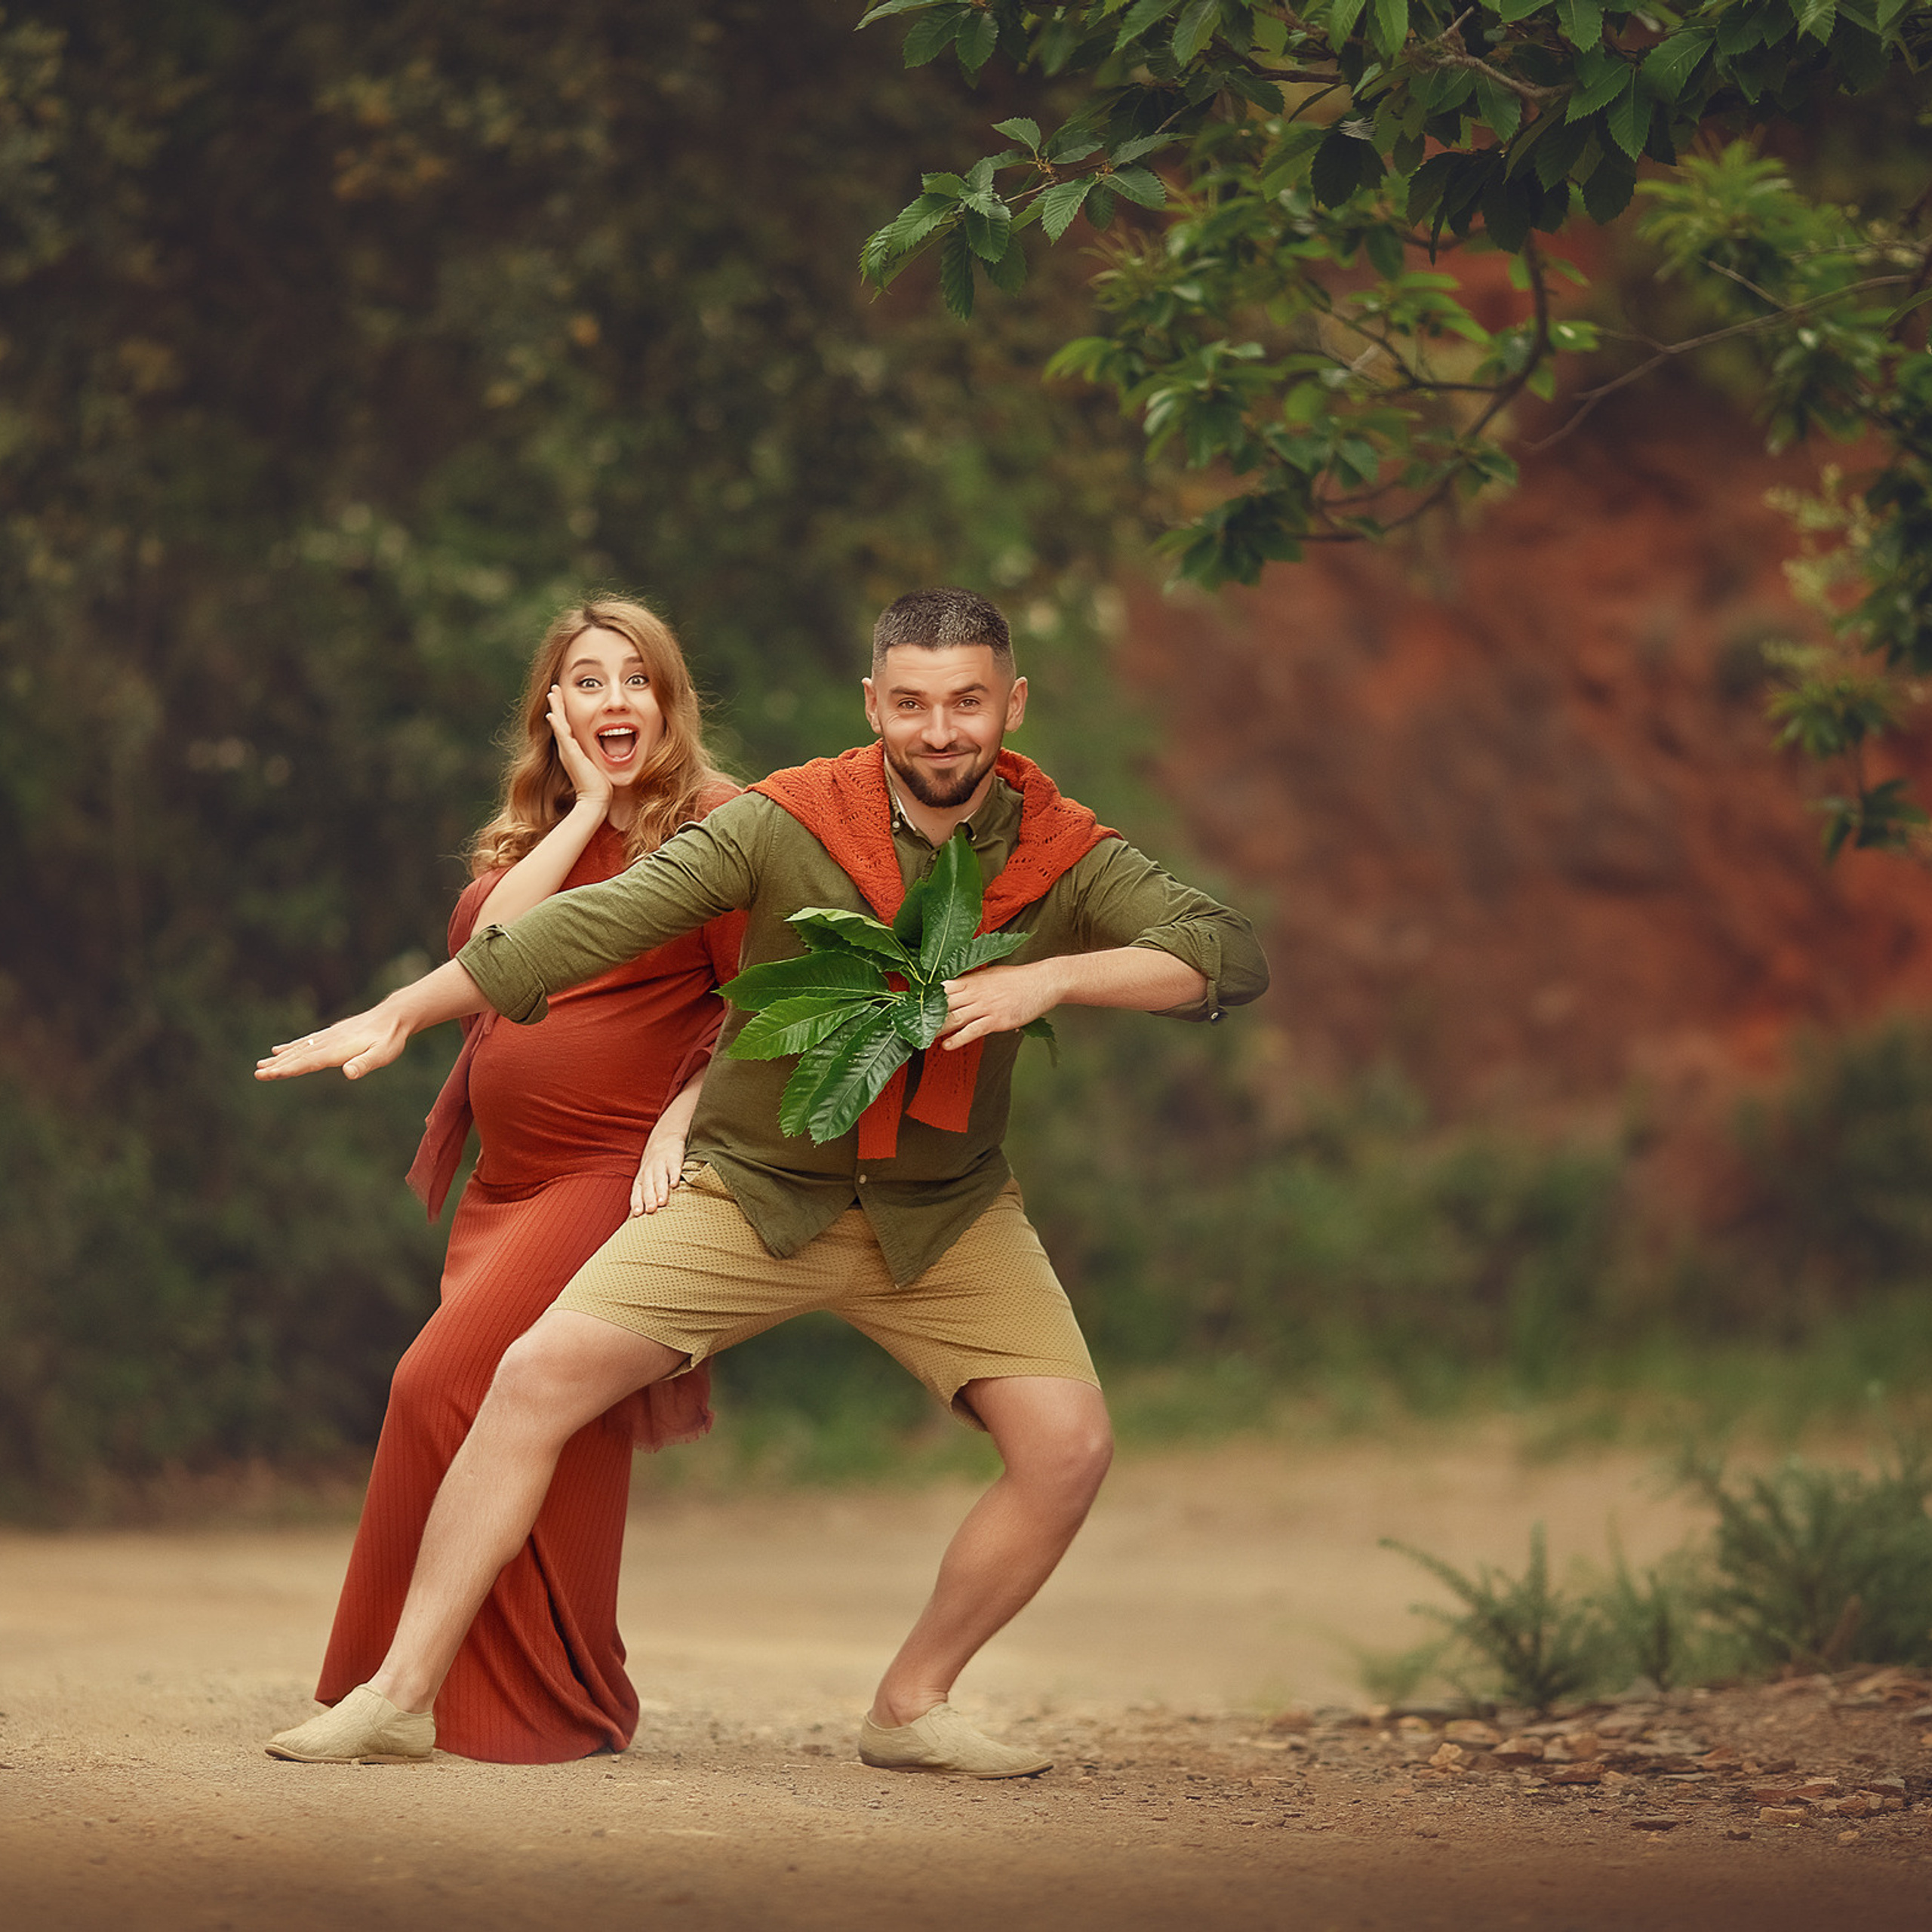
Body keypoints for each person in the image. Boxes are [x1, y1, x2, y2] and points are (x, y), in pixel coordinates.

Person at [257, 586, 1268, 1778]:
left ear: (1012, 704)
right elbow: (595, 927)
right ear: (873, 705)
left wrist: (1049, 982)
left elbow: (1222, 951)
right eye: (912, 704)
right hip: (758, 1194)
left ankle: (912, 1706)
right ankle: (400, 1696)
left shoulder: (1056, 845)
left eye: (967, 704)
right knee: (530, 1378)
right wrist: (407, 1010)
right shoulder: (789, 821)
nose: (941, 731)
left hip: (942, 1211)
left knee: (1069, 1448)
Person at [274, 596, 745, 1764]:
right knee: (556, 1422)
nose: (616, 700)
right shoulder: (529, 833)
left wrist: (686, 1114)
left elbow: (759, 998)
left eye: (638, 679)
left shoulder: (717, 824)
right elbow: (491, 956)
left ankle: (399, 1687)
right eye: (589, 681)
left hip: (609, 1169)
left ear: (671, 700)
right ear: (554, 706)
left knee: (439, 1383)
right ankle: (559, 1701)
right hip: (510, 1181)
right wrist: (584, 805)